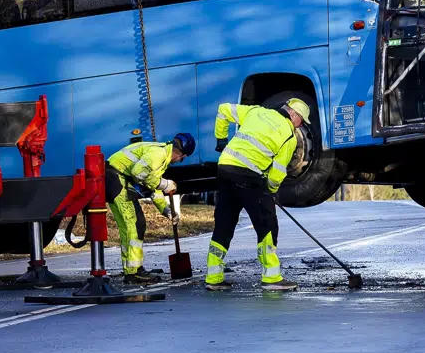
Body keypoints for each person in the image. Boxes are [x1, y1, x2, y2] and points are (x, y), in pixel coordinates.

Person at [205, 97, 311, 292]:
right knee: (267, 224)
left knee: (224, 222)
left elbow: (223, 109)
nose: (301, 125)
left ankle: (213, 276)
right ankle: (272, 278)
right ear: (294, 115)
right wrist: (270, 192)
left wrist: (221, 140)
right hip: (248, 176)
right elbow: (277, 173)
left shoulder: (256, 111)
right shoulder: (289, 136)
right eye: (302, 120)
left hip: (225, 169)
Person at [106, 131, 194, 285]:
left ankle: (130, 269)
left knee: (130, 226)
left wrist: (166, 210)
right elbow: (139, 173)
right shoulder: (158, 154)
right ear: (182, 156)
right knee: (135, 224)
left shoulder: (162, 154)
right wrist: (164, 183)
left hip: (115, 177)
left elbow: (152, 186)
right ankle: (134, 272)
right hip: (116, 177)